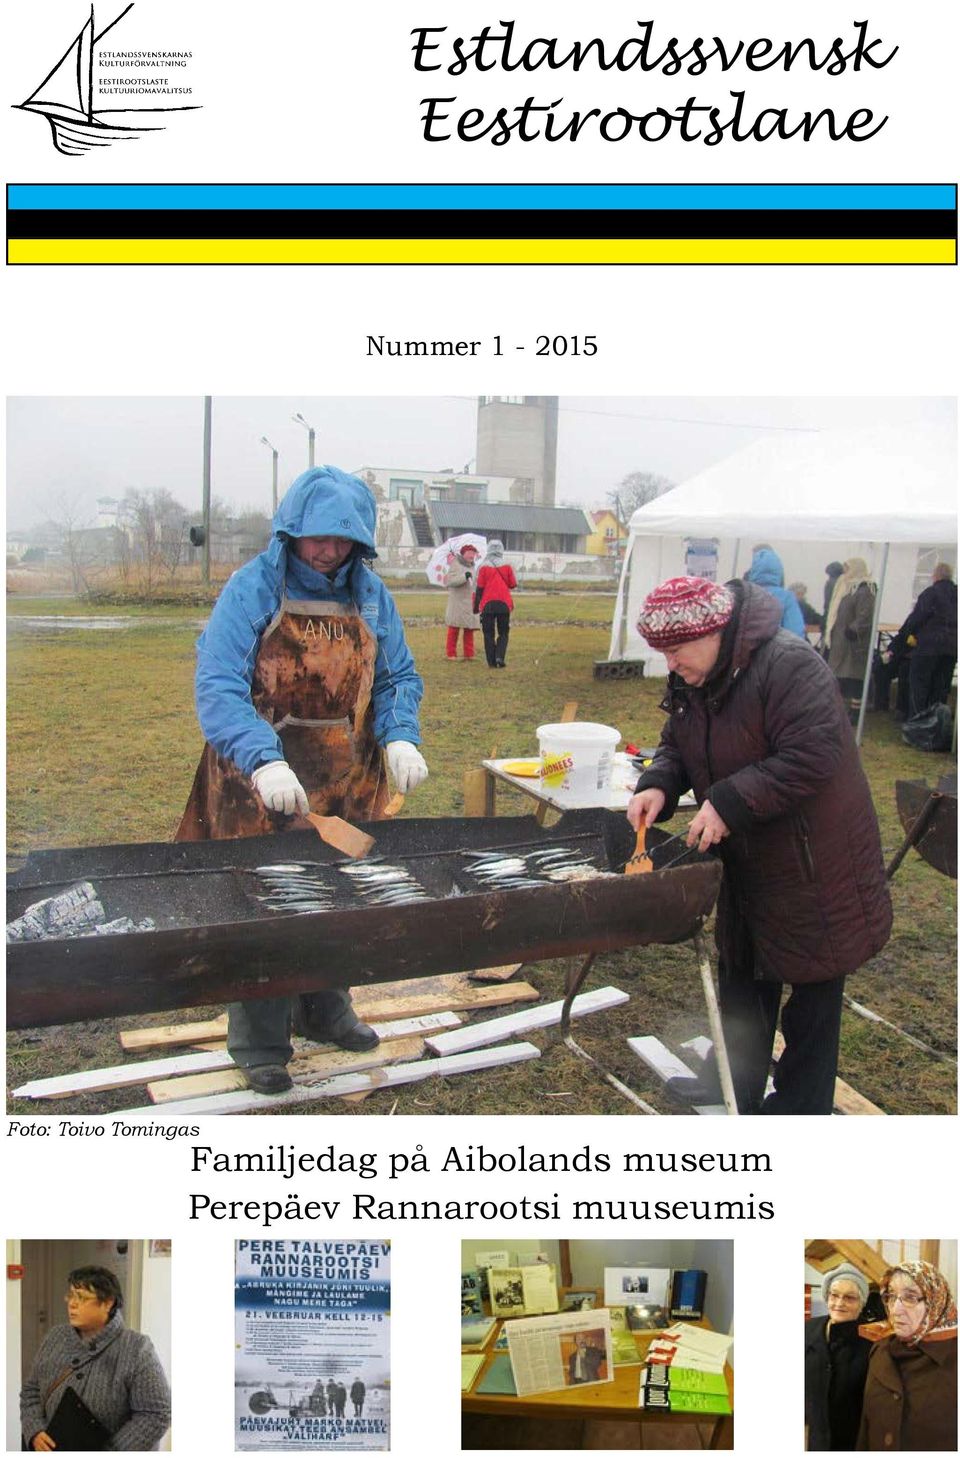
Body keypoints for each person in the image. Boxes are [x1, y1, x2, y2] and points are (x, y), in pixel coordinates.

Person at [176, 466, 428, 1095]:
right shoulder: (251, 589)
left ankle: (326, 1009)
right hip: (256, 781)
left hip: (346, 778)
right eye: (316, 538)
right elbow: (218, 685)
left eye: (341, 541)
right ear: (290, 533)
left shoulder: (372, 595)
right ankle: (260, 1039)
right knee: (263, 902)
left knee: (338, 893)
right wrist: (262, 759)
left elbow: (398, 676)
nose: (327, 551)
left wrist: (400, 734)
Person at [628, 576, 892, 1115]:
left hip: (813, 855)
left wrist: (727, 802)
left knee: (814, 985)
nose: (669, 664)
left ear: (715, 632)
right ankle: (734, 1082)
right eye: (663, 654)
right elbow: (678, 740)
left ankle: (800, 1104)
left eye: (675, 651)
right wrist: (658, 781)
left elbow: (814, 753)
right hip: (748, 853)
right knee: (742, 973)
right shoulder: (697, 675)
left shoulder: (788, 665)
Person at [21, 1266, 171, 1452]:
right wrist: (35, 1430)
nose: (72, 1304)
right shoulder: (55, 1337)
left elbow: (157, 1413)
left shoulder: (136, 1348)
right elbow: (31, 1392)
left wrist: (110, 1451)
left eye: (82, 1298)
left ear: (108, 1303)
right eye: (71, 1296)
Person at [858, 1260, 957, 1451]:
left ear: (936, 1302)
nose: (895, 1310)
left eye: (910, 1298)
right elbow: (867, 1425)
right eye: (891, 1296)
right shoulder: (880, 1350)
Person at [805, 1264, 872, 1450]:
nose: (839, 1303)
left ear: (861, 1303)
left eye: (850, 1298)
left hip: (849, 1442)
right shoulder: (808, 1330)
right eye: (834, 1295)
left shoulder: (870, 1343)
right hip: (813, 1437)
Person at [886, 562, 957, 718]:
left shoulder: (931, 593)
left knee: (920, 685)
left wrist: (905, 635)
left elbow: (917, 618)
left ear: (936, 576)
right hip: (951, 648)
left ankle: (918, 723)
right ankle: (937, 724)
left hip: (929, 647)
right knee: (941, 687)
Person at [823, 558, 877, 699]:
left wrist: (854, 629)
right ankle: (839, 707)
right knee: (838, 675)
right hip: (839, 638)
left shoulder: (865, 588)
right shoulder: (844, 587)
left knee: (853, 676)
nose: (845, 572)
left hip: (853, 641)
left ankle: (855, 710)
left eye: (847, 568)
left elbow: (865, 614)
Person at [743, 545, 806, 636]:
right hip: (778, 648)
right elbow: (795, 632)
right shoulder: (786, 598)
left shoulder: (745, 595)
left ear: (754, 570)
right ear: (779, 570)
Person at [473, 539, 517, 668]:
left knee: (488, 633)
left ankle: (491, 661)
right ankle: (500, 657)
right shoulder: (507, 565)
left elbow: (479, 587)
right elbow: (513, 584)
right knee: (503, 632)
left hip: (488, 604)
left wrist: (476, 606)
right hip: (504, 604)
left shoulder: (483, 566)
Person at [444, 542, 481, 659]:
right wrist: (464, 577)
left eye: (473, 554)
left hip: (470, 602)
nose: (472, 556)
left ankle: (469, 654)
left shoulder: (473, 566)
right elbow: (450, 582)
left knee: (469, 628)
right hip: (457, 602)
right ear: (463, 554)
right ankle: (451, 654)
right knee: (454, 628)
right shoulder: (455, 565)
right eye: (469, 553)